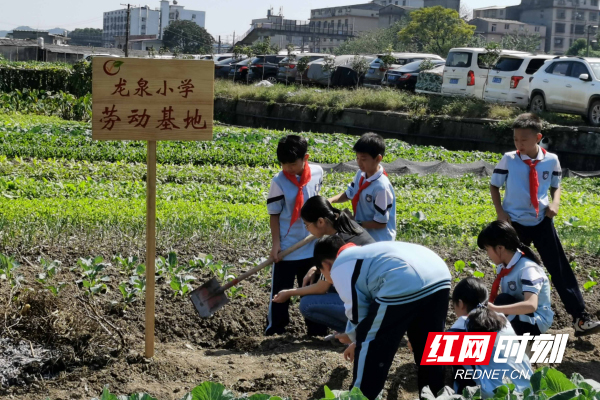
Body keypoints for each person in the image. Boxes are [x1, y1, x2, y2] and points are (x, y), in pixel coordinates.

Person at [490, 113, 600, 336]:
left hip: (542, 221)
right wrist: (500, 212)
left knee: (559, 269)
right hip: (515, 223)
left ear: (538, 137)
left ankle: (580, 318)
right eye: (515, 139)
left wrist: (555, 203)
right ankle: (498, 313)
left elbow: (555, 185)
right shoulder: (509, 159)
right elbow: (494, 186)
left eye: (524, 140)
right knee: (508, 267)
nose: (518, 144)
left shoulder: (551, 160)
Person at [313, 235, 451, 400]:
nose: (328, 279)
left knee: (371, 349)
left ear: (326, 265)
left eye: (323, 273)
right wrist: (354, 336)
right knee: (430, 347)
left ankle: (361, 396)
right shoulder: (366, 252)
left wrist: (357, 340)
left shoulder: (340, 265)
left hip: (403, 280)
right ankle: (435, 395)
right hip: (438, 273)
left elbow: (358, 314)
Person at [272, 196, 375, 334]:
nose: (308, 230)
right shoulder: (347, 225)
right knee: (333, 287)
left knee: (307, 304)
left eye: (307, 225)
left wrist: (289, 292)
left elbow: (321, 288)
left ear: (320, 222)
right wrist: (316, 268)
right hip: (377, 294)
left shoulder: (337, 243)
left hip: (371, 303)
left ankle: (353, 332)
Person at [265, 135, 324, 336]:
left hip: (311, 244)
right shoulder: (278, 181)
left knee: (313, 289)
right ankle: (275, 330)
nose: (287, 168)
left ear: (305, 157)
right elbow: (274, 215)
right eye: (283, 164)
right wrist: (276, 245)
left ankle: (317, 332)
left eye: (292, 164)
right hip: (287, 248)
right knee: (280, 293)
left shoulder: (317, 172)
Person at [450, 277, 533, 398]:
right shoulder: (501, 318)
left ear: (461, 303)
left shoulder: (462, 326)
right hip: (528, 391)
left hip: (498, 395)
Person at [477, 221, 553, 336]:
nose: (488, 254)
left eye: (488, 249)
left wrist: (495, 309)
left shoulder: (527, 269)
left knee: (500, 304)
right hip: (521, 316)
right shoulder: (504, 268)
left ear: (500, 248)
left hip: (536, 321)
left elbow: (531, 305)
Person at [329, 132, 396, 242]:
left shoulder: (381, 187)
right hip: (363, 234)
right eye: (357, 158)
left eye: (363, 159)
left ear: (378, 158)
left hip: (378, 240)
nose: (359, 163)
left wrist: (353, 222)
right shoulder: (360, 174)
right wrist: (330, 200)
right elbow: (349, 193)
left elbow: (381, 223)